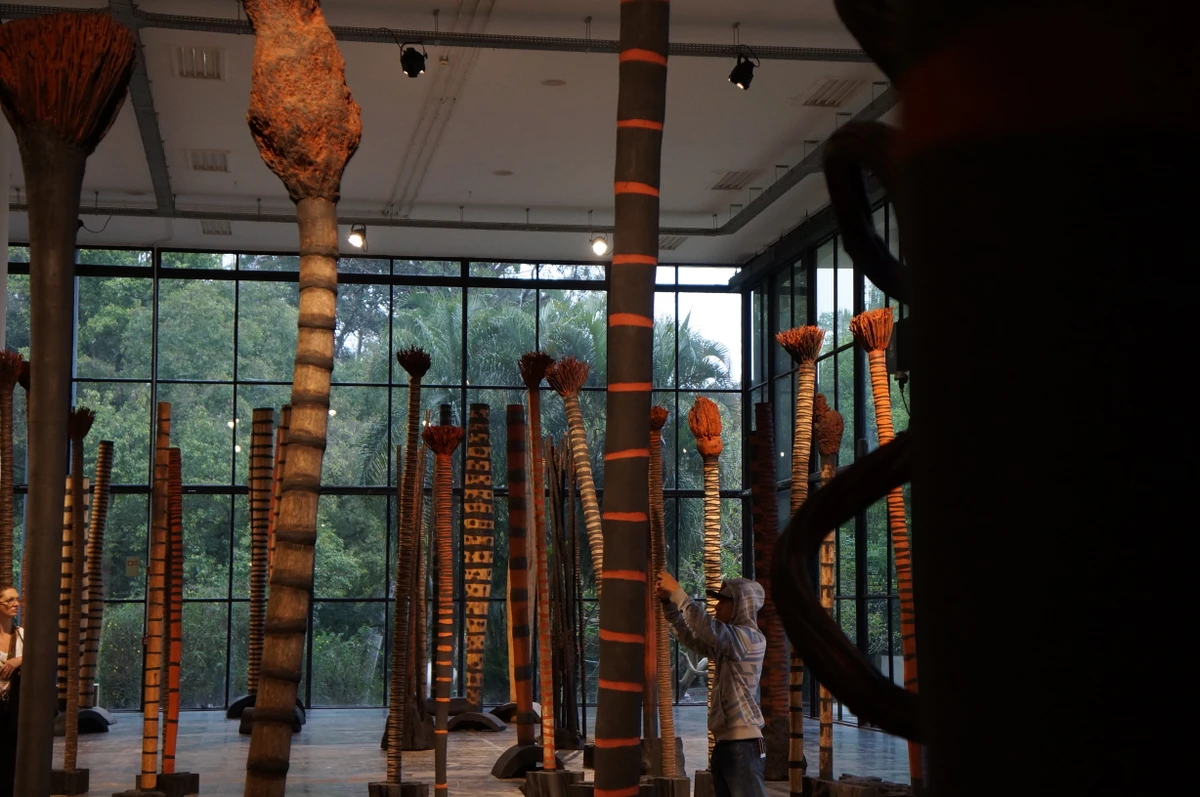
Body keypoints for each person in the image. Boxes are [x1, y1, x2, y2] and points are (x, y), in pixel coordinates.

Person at [656, 570, 766, 797]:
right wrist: (668, 605)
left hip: (742, 745)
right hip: (727, 744)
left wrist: (678, 594)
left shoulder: (749, 638)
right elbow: (691, 637)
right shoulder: (730, 644)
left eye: (723, 603)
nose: (717, 608)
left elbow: (706, 627)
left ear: (741, 605)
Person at [0, 586, 23, 797]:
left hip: (14, 706)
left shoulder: (22, 635)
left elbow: (39, 657)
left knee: (10, 759)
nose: (15, 604)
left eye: (17, 599)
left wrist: (19, 660)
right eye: (9, 600)